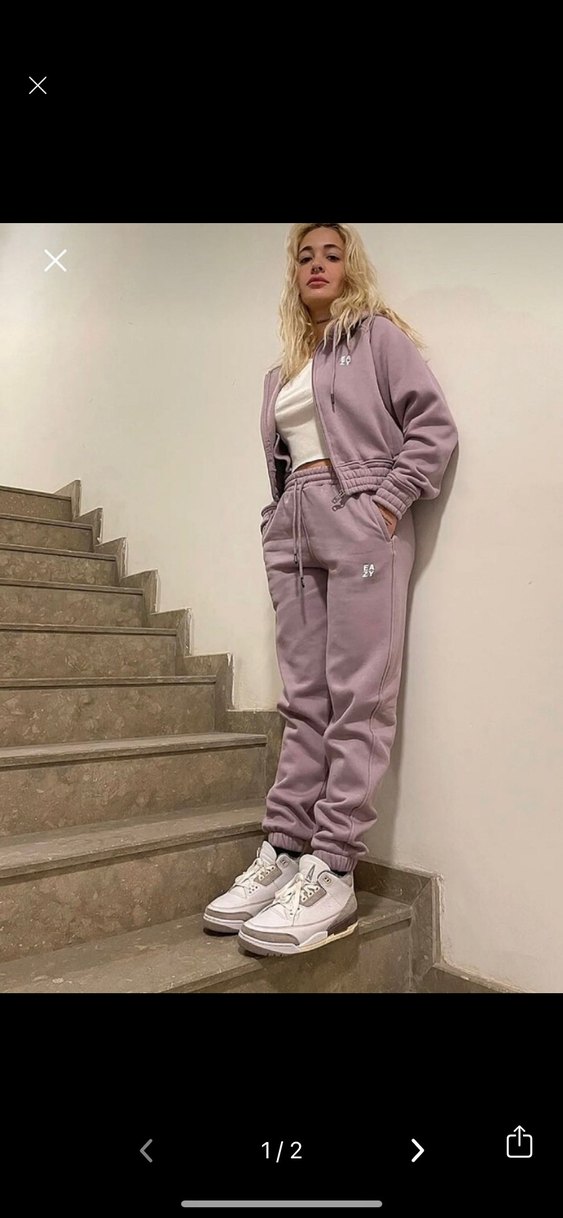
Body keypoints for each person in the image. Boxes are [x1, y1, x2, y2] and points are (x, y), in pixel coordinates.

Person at [203, 223, 459, 958]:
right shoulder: (282, 369)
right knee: (304, 698)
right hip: (291, 524)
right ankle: (285, 848)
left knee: (358, 694)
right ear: (294, 274)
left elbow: (433, 426)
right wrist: (277, 518)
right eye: (304, 256)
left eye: (331, 254)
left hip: (358, 518)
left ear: (351, 266)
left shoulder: (375, 337)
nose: (317, 265)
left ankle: (335, 866)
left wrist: (385, 505)